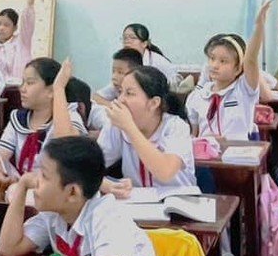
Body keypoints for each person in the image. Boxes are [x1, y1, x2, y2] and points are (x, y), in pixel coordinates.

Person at [0, 135, 157, 256]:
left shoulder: (109, 217)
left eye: (44, 176)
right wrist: (22, 186)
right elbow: (9, 247)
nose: (35, 181)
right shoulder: (54, 213)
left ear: (72, 192)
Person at [54, 57, 197, 194]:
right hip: (138, 205)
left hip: (180, 206)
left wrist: (130, 127)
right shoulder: (117, 125)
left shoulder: (176, 127)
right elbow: (86, 168)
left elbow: (165, 172)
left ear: (154, 103)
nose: (120, 99)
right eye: (120, 92)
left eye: (129, 93)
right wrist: (105, 184)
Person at [187, 1, 273, 140]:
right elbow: (194, 134)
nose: (214, 65)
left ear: (238, 68)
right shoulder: (197, 97)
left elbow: (250, 60)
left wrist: (259, 26)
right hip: (209, 160)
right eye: (212, 58)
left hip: (237, 158)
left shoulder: (243, 90)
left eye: (223, 61)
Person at [0, 57, 75, 187]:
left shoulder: (68, 117)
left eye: (30, 83)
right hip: (21, 190)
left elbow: (66, 146)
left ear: (51, 91)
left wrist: (59, 88)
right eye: (23, 82)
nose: (22, 88)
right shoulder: (19, 118)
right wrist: (1, 171)